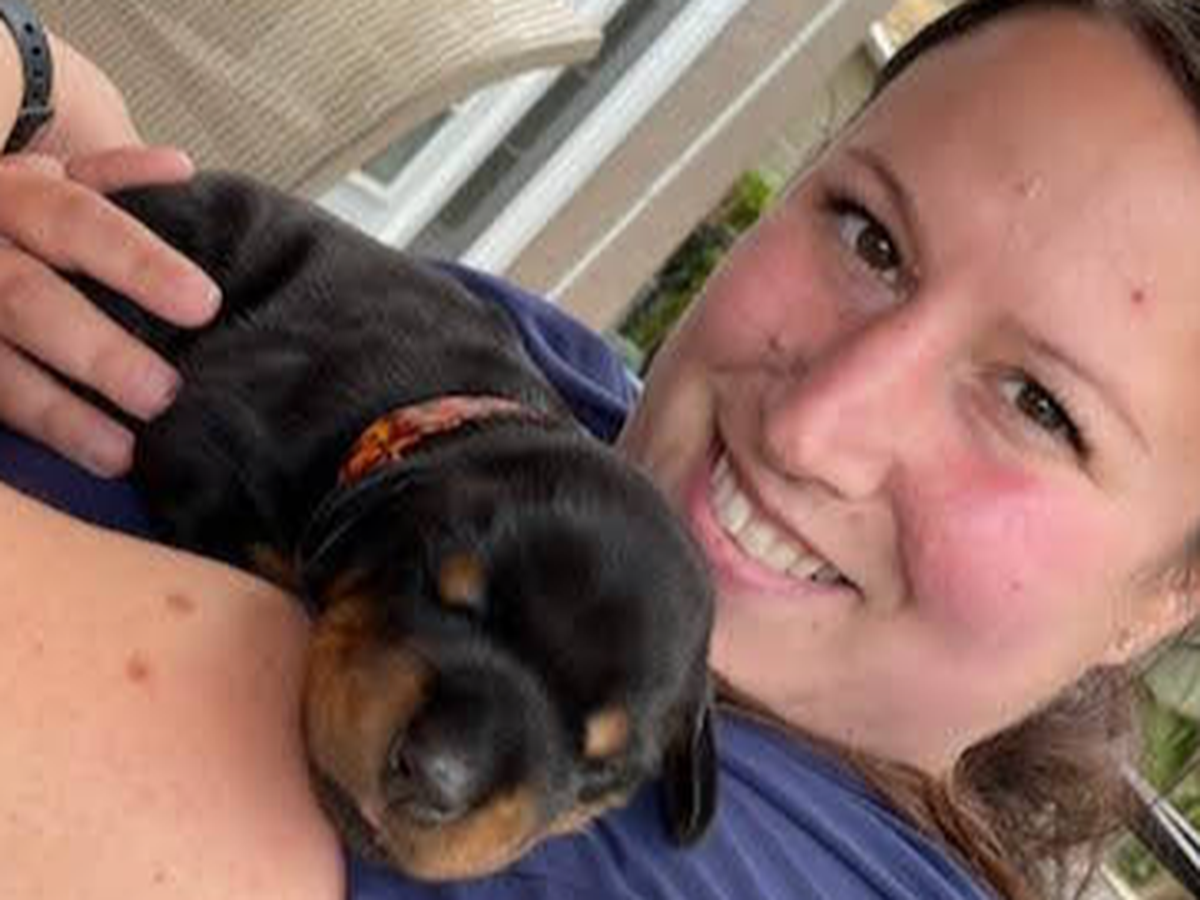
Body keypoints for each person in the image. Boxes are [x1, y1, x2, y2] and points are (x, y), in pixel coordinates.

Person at [3, 1, 1200, 897]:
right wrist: (38, 89)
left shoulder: (671, 865)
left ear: (1172, 592)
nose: (814, 428)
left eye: (1041, 405)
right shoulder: (571, 401)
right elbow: (159, 252)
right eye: (869, 236)